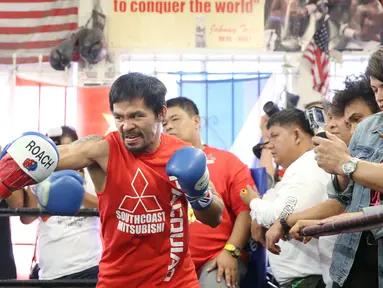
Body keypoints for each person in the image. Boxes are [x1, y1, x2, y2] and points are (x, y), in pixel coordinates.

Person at [0, 72, 224, 288]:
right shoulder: (102, 149)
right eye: (119, 117)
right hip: (117, 281)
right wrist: (15, 163)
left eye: (137, 115)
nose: (126, 126)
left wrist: (199, 193)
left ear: (161, 114)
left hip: (176, 282)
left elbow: (214, 217)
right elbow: (58, 155)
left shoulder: (182, 154)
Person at [289, 49, 383, 287]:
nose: (380, 97)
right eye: (375, 90)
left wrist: (346, 163)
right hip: (355, 253)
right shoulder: (368, 128)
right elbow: (347, 197)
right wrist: (339, 169)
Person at [163, 97, 253, 288]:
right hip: (167, 264)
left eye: (175, 119)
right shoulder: (157, 166)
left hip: (215, 260)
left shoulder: (228, 161)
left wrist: (231, 251)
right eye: (163, 123)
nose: (168, 127)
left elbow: (246, 211)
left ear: (196, 121)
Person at [240, 109, 332, 287]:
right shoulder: (296, 170)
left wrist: (252, 202)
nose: (270, 145)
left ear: (296, 135)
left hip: (309, 280)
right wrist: (258, 210)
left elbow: (277, 215)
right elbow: (269, 201)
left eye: (274, 136)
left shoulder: (309, 167)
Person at [21, 126, 101, 281]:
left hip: (88, 267)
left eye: (65, 150)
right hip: (51, 273)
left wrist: (75, 191)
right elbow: (26, 219)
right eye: (55, 151)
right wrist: (34, 184)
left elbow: (107, 207)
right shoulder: (41, 178)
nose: (60, 157)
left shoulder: (91, 175)